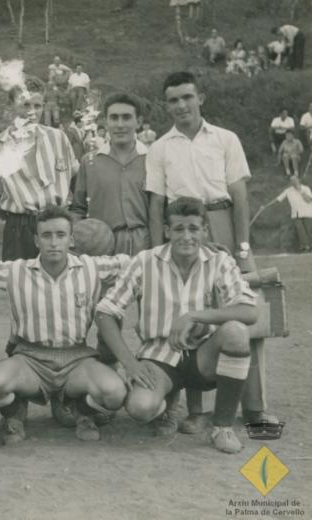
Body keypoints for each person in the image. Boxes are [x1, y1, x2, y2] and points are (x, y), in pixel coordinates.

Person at [145, 71, 274, 435]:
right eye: (173, 100)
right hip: (183, 226)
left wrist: (242, 246)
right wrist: (161, 248)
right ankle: (196, 411)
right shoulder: (159, 148)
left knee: (243, 309)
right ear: (166, 104)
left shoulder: (225, 139)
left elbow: (240, 195)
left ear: (200, 97)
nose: (181, 105)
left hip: (220, 220)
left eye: (187, 97)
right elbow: (156, 204)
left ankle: (252, 406)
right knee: (188, 305)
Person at [96, 197, 258, 453]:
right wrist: (129, 363)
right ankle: (166, 402)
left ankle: (222, 427)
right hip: (158, 357)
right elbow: (105, 312)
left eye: (194, 229)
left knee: (236, 332)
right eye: (179, 229)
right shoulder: (145, 261)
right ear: (167, 231)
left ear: (205, 231)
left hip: (203, 356)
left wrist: (195, 316)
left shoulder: (219, 261)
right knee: (140, 408)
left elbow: (249, 311)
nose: (186, 236)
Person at [0, 206, 130, 444]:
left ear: (71, 239)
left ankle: (83, 413)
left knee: (115, 393)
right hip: (31, 359)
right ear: (36, 240)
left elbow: (141, 263)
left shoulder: (92, 268)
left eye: (60, 235)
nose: (54, 242)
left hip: (76, 359)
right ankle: (15, 413)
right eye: (46, 235)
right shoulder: (17, 271)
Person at [0, 79, 78, 260]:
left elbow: (75, 180)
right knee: (20, 283)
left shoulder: (58, 138)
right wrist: (20, 219)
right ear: (10, 105)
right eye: (25, 105)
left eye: (37, 106)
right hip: (19, 229)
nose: (31, 112)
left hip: (56, 224)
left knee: (59, 283)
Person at [70, 93, 151, 256]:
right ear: (105, 122)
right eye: (114, 118)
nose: (120, 124)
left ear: (139, 122)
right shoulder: (90, 162)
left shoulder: (153, 159)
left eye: (126, 117)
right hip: (102, 249)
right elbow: (78, 209)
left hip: (144, 248)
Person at [266, 175, 312, 251]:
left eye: (295, 180)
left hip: (308, 212)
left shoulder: (306, 188)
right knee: (300, 231)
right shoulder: (288, 190)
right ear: (290, 182)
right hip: (296, 214)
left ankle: (308, 247)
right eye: (292, 181)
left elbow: (309, 200)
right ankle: (306, 247)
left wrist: (301, 191)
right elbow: (278, 199)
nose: (294, 182)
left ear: (298, 180)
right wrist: (266, 205)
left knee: (309, 231)